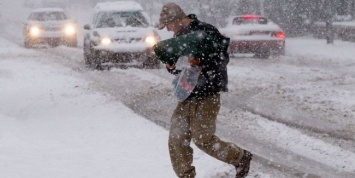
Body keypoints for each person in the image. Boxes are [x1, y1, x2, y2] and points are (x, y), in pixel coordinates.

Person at [156, 2, 252, 178]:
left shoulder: (206, 31)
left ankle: (240, 157)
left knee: (203, 138)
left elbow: (222, 59)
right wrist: (172, 65)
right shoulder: (179, 36)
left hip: (208, 93)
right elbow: (179, 68)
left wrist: (201, 62)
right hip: (186, 95)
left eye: (168, 25)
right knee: (177, 138)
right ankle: (186, 175)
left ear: (177, 19)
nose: (168, 29)